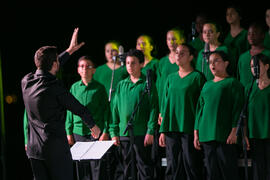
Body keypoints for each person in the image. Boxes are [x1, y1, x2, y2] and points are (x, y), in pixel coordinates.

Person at [21, 28, 101, 180]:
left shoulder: (26, 81)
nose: (59, 62)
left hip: (34, 151)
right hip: (55, 150)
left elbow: (44, 68)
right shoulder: (54, 87)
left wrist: (69, 51)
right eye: (57, 60)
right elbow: (79, 108)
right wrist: (93, 126)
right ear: (54, 64)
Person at [194, 50, 244, 180]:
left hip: (224, 134)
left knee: (228, 171)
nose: (212, 64)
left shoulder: (232, 83)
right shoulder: (207, 84)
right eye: (210, 62)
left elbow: (238, 109)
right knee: (211, 172)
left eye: (216, 61)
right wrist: (196, 132)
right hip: (207, 135)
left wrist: (234, 131)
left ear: (226, 63)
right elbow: (200, 108)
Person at [109, 49, 159, 180]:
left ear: (141, 64)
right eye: (127, 63)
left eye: (133, 63)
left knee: (144, 168)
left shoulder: (147, 84)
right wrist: (114, 132)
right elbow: (114, 110)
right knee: (127, 168)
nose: (130, 66)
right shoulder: (121, 84)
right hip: (124, 133)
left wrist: (150, 130)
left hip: (141, 133)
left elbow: (154, 108)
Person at [159, 43, 205, 180]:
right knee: (173, 165)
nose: (178, 55)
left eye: (182, 53)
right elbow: (165, 105)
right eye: (177, 52)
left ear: (191, 57)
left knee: (191, 164)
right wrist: (162, 130)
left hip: (189, 128)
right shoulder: (171, 78)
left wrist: (197, 130)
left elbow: (201, 106)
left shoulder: (197, 77)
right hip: (172, 128)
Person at [65, 56, 110, 180]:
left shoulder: (99, 88)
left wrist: (105, 131)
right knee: (82, 169)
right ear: (78, 70)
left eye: (88, 66)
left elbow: (106, 111)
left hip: (95, 133)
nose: (84, 69)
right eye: (82, 66)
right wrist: (69, 132)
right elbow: (69, 112)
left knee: (97, 168)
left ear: (94, 70)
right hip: (78, 133)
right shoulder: (74, 87)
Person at [247, 53, 270, 180]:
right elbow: (244, 114)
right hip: (255, 135)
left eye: (257, 65)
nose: (254, 69)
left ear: (266, 66)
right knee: (258, 169)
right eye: (251, 66)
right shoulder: (249, 88)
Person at [156, 27, 185, 125]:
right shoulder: (162, 62)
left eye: (174, 39)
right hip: (165, 103)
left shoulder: (185, 60)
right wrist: (160, 110)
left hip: (179, 100)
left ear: (181, 40)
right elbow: (160, 87)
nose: (171, 42)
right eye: (168, 39)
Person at [238, 22, 270, 87]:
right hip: (245, 95)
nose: (251, 36)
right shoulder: (242, 57)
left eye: (254, 33)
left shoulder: (268, 54)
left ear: (262, 35)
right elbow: (239, 78)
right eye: (249, 34)